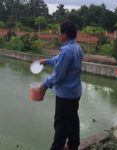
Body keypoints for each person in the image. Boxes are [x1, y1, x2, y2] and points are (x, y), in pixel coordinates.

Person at [39, 21, 83, 150]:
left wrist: (45, 85)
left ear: (65, 34)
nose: (58, 35)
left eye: (60, 32)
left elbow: (59, 75)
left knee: (61, 123)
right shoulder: (76, 47)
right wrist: (46, 61)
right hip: (75, 92)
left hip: (65, 94)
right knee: (73, 120)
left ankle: (57, 147)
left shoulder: (67, 51)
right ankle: (73, 145)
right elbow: (58, 60)